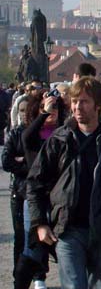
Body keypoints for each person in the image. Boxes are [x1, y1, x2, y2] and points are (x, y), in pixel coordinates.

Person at [26, 77, 101, 289]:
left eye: (84, 101)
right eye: (75, 101)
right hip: (68, 228)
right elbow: (35, 182)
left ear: (98, 105)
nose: (78, 106)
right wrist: (39, 223)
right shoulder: (60, 140)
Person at [20, 89, 68, 289]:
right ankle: (37, 278)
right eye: (47, 107)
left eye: (55, 107)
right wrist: (44, 114)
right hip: (36, 195)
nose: (52, 111)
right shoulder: (34, 133)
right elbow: (26, 137)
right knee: (33, 243)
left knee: (62, 241)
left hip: (59, 196)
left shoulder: (64, 131)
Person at [2, 95, 30, 286]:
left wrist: (23, 161)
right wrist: (27, 165)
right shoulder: (14, 134)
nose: (24, 115)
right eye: (21, 111)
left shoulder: (44, 133)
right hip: (18, 190)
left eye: (27, 110)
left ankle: (38, 275)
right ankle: (18, 278)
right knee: (20, 236)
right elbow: (7, 162)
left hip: (39, 191)